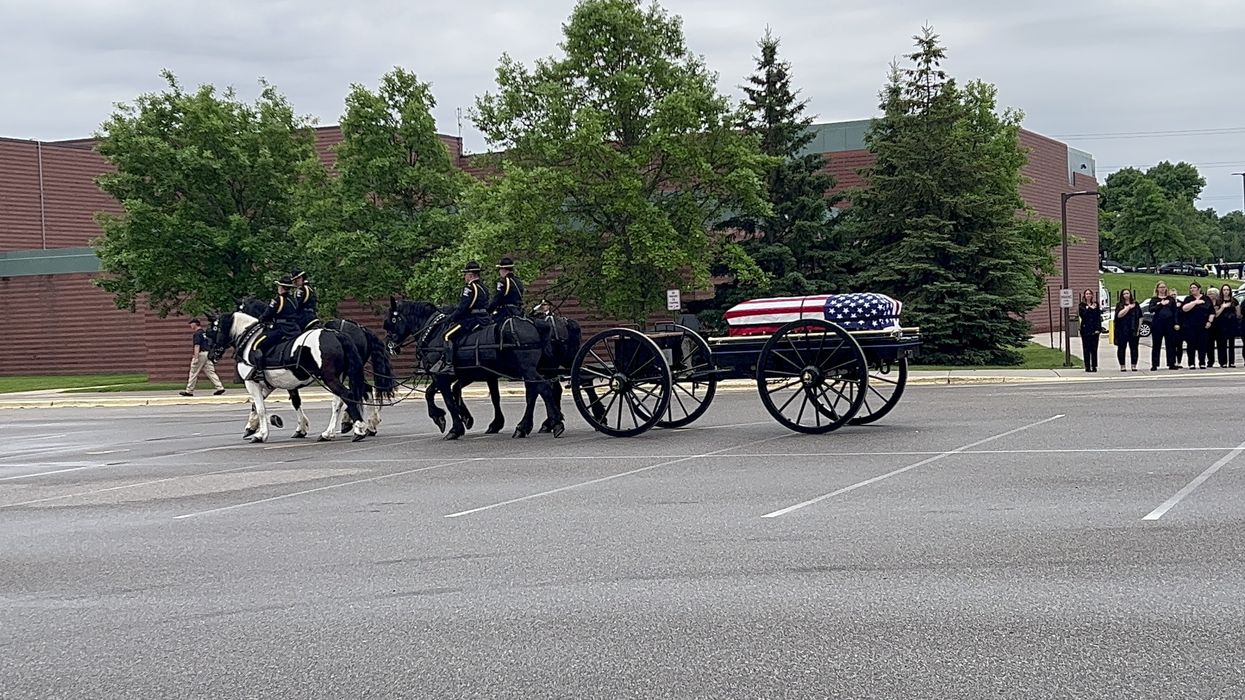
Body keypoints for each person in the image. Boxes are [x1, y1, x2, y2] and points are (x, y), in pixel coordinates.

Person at [428, 261, 490, 375]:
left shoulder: (469, 288)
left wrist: (451, 317)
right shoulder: (483, 288)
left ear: (470, 275)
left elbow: (463, 308)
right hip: (484, 318)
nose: (464, 277)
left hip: (471, 320)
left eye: (465, 274)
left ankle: (449, 364)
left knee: (446, 335)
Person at [248, 275, 302, 380]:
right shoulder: (294, 300)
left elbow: (268, 313)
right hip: (295, 329)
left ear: (281, 287)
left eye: (278, 286)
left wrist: (261, 319)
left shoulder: (278, 300)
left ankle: (259, 371)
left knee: (256, 345)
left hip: (281, 329)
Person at [179, 319, 226, 396]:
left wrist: (196, 357)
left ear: (195, 324)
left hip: (200, 354)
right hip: (207, 354)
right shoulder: (204, 333)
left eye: (191, 324)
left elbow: (197, 345)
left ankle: (189, 390)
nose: (190, 325)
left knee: (193, 372)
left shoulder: (197, 334)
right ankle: (220, 387)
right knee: (210, 372)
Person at [1149, 281, 1180, 371]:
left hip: (1169, 323)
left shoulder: (1170, 299)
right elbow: (1151, 309)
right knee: (1156, 344)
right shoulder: (1154, 299)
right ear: (1157, 289)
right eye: (1161, 287)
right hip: (1158, 323)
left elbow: (1175, 312)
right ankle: (1155, 364)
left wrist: (1176, 323)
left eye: (1164, 287)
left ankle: (1171, 363)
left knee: (1171, 344)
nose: (1162, 289)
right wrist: (1161, 304)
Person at [1180, 282, 1212, 369]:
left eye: (1194, 287)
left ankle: (1202, 362)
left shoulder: (1206, 299)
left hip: (1203, 325)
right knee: (1191, 345)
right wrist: (1195, 302)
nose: (1192, 289)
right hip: (1190, 326)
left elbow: (1211, 311)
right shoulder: (1188, 298)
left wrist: (1209, 322)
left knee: (1202, 344)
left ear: (1199, 289)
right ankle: (1191, 363)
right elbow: (1184, 309)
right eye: (1191, 288)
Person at [1113, 289, 1141, 372]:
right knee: (1121, 348)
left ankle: (1134, 365)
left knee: (1134, 348)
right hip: (1122, 330)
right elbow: (1119, 315)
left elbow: (1140, 317)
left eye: (1127, 293)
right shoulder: (1120, 305)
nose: (1126, 295)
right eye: (1124, 293)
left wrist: (1138, 329)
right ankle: (1122, 365)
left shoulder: (1136, 305)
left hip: (1133, 329)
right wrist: (1128, 308)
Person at [1214, 283, 1240, 368]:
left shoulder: (1234, 301)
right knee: (1222, 344)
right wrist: (1223, 307)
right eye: (1224, 290)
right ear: (1222, 291)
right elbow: (1216, 314)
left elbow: (1238, 314)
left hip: (1231, 324)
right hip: (1222, 324)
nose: (1226, 291)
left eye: (1227, 290)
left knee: (1231, 344)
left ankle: (1232, 362)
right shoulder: (1218, 301)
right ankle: (1223, 362)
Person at [1077, 288, 1102, 372]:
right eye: (1086, 294)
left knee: (1094, 348)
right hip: (1085, 329)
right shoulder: (1082, 305)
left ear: (1092, 295)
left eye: (1089, 294)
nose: (1088, 295)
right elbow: (1083, 315)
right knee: (1086, 348)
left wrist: (1098, 328)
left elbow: (1098, 317)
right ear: (1084, 295)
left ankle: (1094, 365)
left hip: (1094, 329)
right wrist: (1090, 308)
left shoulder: (1096, 304)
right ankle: (1087, 366)